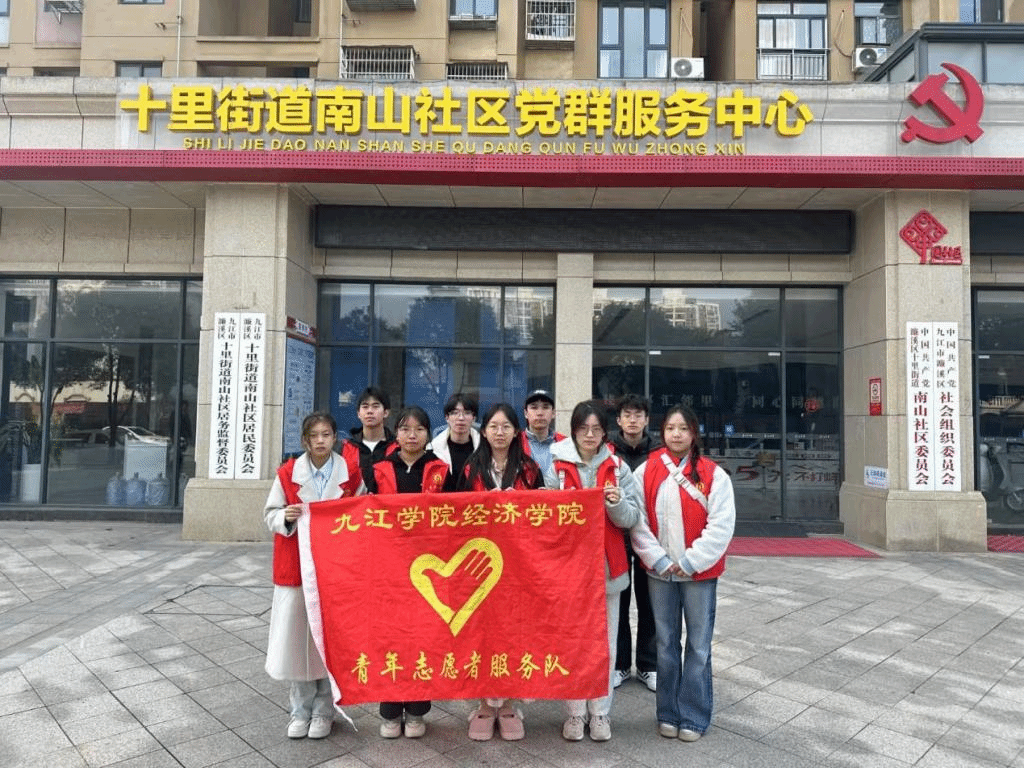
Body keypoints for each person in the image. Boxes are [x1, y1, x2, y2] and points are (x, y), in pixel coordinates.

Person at [631, 404, 736, 743]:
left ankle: (693, 715)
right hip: (659, 572)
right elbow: (637, 521)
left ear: (694, 433)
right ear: (662, 432)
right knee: (665, 644)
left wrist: (691, 561)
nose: (676, 434)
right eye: (670, 428)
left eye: (683, 428)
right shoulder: (646, 470)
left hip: (699, 575)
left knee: (699, 646)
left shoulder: (713, 474)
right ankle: (667, 713)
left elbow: (721, 525)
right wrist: (658, 559)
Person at [544, 400, 643, 743]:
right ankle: (574, 713)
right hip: (569, 570)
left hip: (607, 568)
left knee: (606, 645)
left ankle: (600, 712)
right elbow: (546, 520)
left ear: (605, 432)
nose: (590, 435)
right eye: (583, 428)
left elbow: (632, 519)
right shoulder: (556, 467)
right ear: (573, 431)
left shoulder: (618, 468)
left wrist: (616, 503)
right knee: (572, 642)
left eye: (596, 429)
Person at [264, 412, 365, 740]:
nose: (320, 441)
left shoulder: (351, 474)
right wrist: (286, 516)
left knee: (329, 644)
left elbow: (362, 514)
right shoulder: (287, 473)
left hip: (336, 571)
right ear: (305, 440)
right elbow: (270, 514)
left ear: (335, 437)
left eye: (326, 434)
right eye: (314, 435)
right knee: (298, 642)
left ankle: (324, 711)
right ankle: (299, 710)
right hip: (297, 567)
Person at [457, 403, 544, 741]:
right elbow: (455, 516)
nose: (499, 432)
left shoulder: (529, 469)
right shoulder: (470, 467)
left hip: (519, 565)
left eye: (506, 426)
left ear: (516, 431)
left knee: (513, 632)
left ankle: (507, 703)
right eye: (493, 426)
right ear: (483, 431)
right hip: (480, 565)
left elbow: (541, 514)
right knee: (481, 633)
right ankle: (483, 703)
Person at [372, 405, 449, 738]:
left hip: (427, 568)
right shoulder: (378, 469)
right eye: (405, 429)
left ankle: (417, 711)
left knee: (421, 638)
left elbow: (457, 516)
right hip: (388, 567)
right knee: (390, 637)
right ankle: (390, 711)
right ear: (396, 433)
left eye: (419, 429)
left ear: (428, 434)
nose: (412, 435)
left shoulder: (441, 470)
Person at [609, 394, 660, 692]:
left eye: (638, 415)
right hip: (616, 537)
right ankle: (619, 664)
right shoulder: (607, 451)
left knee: (649, 602)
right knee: (618, 601)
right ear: (618, 420)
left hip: (648, 538)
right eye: (627, 415)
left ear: (646, 420)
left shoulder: (658, 452)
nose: (632, 420)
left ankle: (648, 665)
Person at [348, 386, 396, 491]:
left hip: (387, 501)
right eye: (365, 407)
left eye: (375, 406)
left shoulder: (397, 447)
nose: (370, 411)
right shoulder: (347, 447)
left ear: (386, 412)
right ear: (358, 414)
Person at [429, 392, 480, 489]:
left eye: (467, 413)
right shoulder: (434, 449)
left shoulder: (483, 448)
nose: (461, 418)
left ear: (474, 418)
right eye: (455, 413)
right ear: (447, 418)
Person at [520, 389, 566, 476]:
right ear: (525, 413)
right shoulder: (516, 442)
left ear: (553, 413)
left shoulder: (564, 443)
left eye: (545, 407)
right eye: (534, 407)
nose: (540, 413)